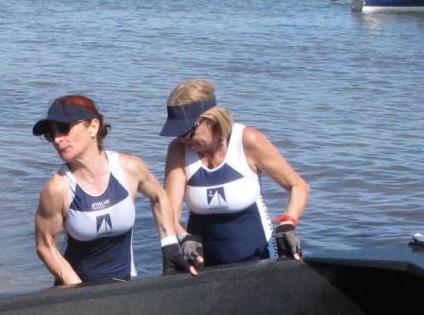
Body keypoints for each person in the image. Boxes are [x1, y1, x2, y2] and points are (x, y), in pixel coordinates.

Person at [159, 79, 309, 271]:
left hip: (258, 254)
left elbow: (298, 186)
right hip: (200, 257)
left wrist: (289, 221)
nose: (183, 139)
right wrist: (182, 236)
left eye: (188, 132)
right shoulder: (178, 151)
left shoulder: (247, 140)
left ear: (210, 120)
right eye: (178, 133)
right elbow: (169, 212)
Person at [31, 94, 181, 285]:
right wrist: (78, 288)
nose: (57, 139)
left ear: (93, 127)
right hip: (75, 287)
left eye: (63, 128)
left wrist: (170, 247)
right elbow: (45, 246)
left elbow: (159, 197)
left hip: (124, 283)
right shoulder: (57, 188)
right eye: (50, 134)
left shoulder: (129, 168)